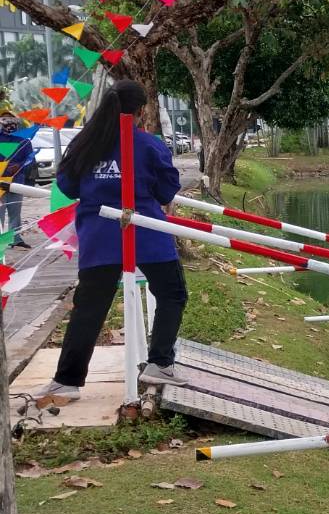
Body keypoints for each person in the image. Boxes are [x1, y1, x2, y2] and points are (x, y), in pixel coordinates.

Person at [33, 80, 188, 407]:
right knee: (172, 292)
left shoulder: (85, 143)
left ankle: (66, 382)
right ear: (141, 110)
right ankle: (160, 363)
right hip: (145, 231)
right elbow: (166, 191)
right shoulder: (148, 145)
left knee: (88, 308)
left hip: (98, 235)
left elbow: (68, 185)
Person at [0, 110, 36, 251]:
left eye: (11, 119)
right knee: (0, 213)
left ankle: (16, 239)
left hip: (17, 182)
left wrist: (19, 165)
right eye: (4, 119)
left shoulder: (23, 141)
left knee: (15, 212)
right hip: (1, 183)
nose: (8, 122)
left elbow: (30, 159)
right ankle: (2, 240)